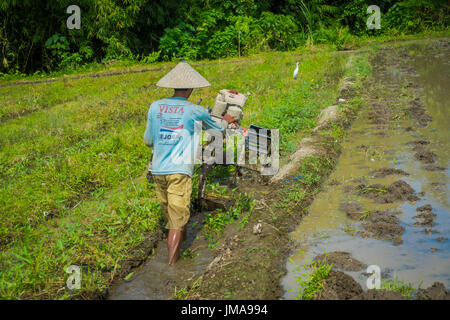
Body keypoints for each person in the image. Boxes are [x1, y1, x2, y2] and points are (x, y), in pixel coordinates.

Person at [144, 61, 236, 265]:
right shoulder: (195, 111)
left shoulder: (155, 107)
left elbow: (148, 141)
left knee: (172, 213)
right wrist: (227, 120)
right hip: (180, 171)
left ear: (173, 86)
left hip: (158, 170)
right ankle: (172, 267)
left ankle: (179, 245)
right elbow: (218, 130)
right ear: (192, 88)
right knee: (177, 220)